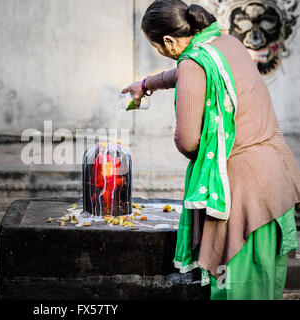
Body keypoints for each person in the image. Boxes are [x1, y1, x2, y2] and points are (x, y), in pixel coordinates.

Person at [122, 0, 300, 300]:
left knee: (238, 289)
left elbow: (188, 140)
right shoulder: (224, 42)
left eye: (157, 47)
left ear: (168, 41)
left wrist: (184, 136)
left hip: (242, 194)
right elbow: (185, 71)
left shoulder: (193, 64)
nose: (160, 52)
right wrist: (146, 84)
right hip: (275, 179)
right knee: (266, 283)